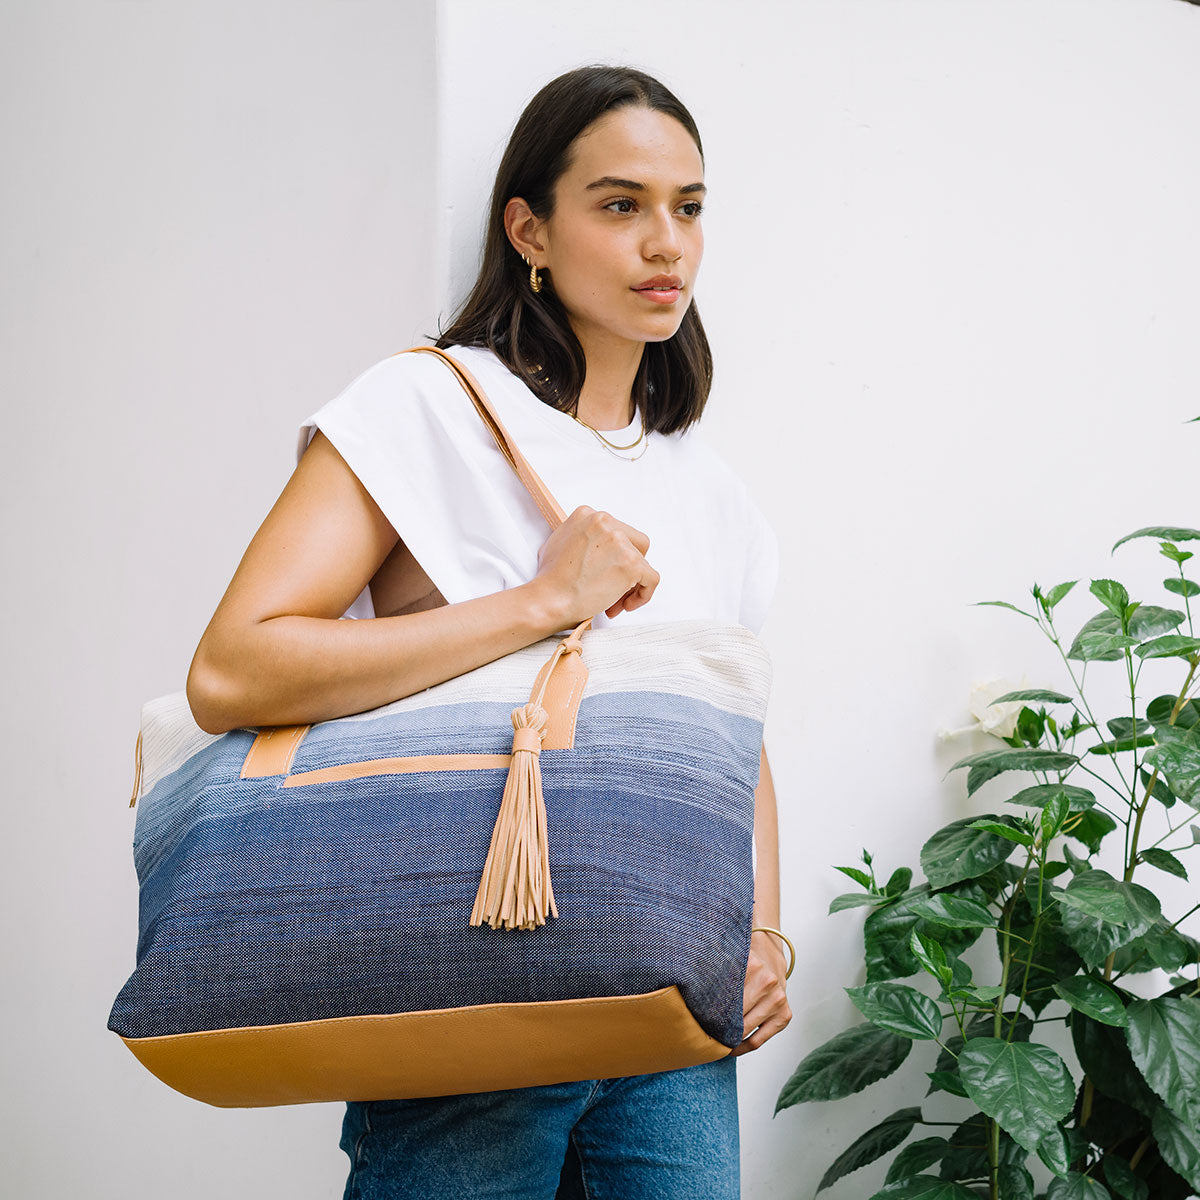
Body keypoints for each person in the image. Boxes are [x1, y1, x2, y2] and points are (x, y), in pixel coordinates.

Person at [185, 63, 791, 1200]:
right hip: (474, 995)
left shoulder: (712, 491)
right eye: (621, 205)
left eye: (689, 207)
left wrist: (762, 937)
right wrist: (540, 604)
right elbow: (233, 668)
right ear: (531, 230)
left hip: (668, 1023)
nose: (667, 242)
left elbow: (735, 747)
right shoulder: (426, 407)